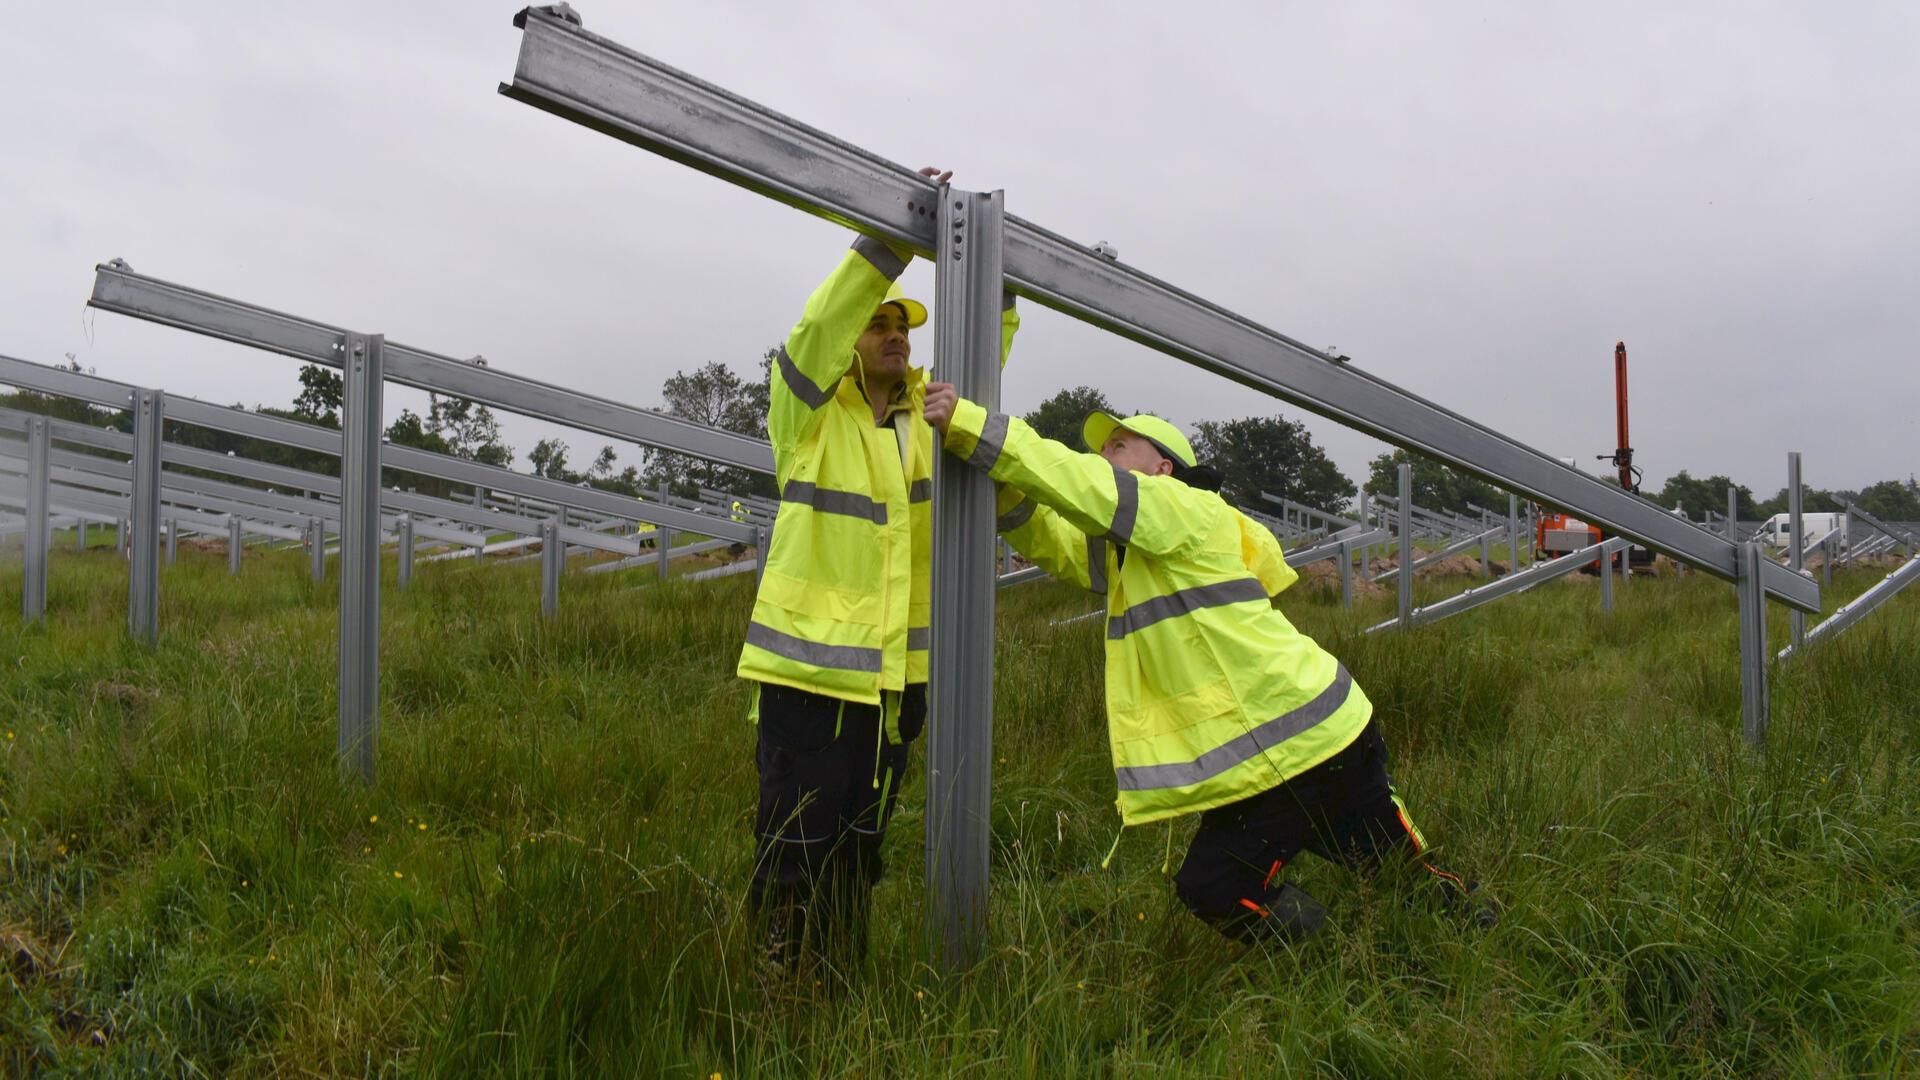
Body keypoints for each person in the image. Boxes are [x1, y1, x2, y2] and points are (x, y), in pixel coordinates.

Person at [920, 389, 1492, 943]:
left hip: (1289, 747)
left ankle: (1332, 956)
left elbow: (1081, 483)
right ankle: (1457, 934)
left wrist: (974, 426)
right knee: (1396, 875)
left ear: (1163, 467)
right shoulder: (1144, 545)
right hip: (1326, 729)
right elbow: (1061, 542)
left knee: (1215, 886)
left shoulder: (1182, 505)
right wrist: (998, 494)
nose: (1105, 456)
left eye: (1120, 446)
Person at [741, 168, 1020, 976]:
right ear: (851, 346)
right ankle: (774, 979)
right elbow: (815, 328)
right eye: (880, 325)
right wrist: (893, 239)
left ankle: (835, 975)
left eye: (904, 326)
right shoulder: (806, 418)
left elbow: (983, 360)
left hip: (899, 681)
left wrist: (999, 281)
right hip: (810, 679)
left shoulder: (929, 419)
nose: (896, 333)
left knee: (862, 839)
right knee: (796, 836)